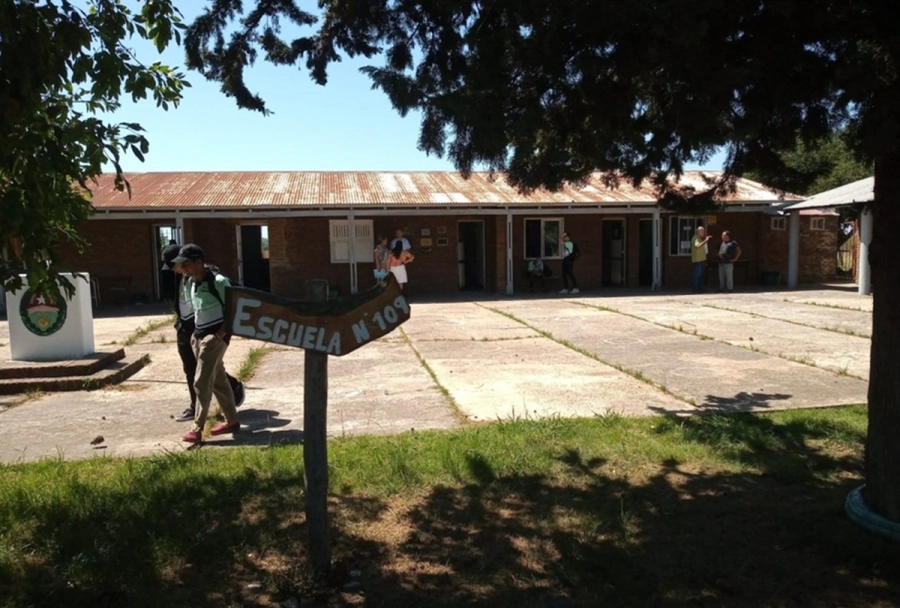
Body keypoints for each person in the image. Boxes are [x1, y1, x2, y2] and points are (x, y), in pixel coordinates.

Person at [160, 244, 245, 423]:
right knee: (195, 369)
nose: (176, 270)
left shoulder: (208, 277)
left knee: (202, 377)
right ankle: (227, 415)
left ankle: (197, 425)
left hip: (210, 330)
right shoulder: (185, 279)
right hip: (188, 328)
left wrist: (221, 332)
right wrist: (181, 325)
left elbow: (232, 304)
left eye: (177, 265)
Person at [691, 226, 712, 292]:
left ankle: (699, 288)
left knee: (700, 275)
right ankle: (696, 289)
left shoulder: (699, 238)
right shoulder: (695, 238)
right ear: (698, 232)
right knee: (697, 275)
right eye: (702, 231)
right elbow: (698, 245)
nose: (703, 232)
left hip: (700, 260)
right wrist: (706, 240)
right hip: (697, 260)